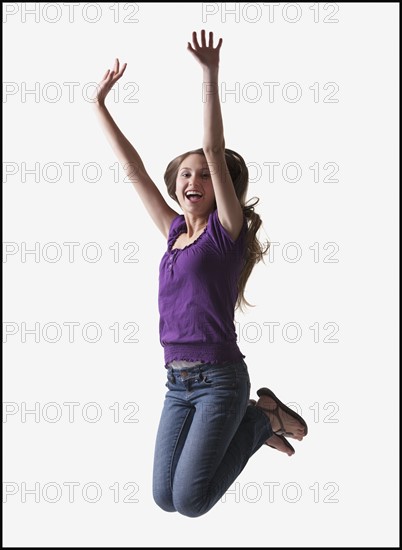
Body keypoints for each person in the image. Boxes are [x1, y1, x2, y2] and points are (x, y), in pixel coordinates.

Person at [92, 30, 308, 518]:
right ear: (176, 185)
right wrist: (100, 105)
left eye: (205, 175)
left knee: (190, 502)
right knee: (163, 498)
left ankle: (260, 419)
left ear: (220, 190)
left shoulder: (224, 233)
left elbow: (214, 148)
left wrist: (209, 75)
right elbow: (133, 169)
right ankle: (256, 422)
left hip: (221, 381)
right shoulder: (173, 233)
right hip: (177, 381)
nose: (195, 179)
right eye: (186, 174)